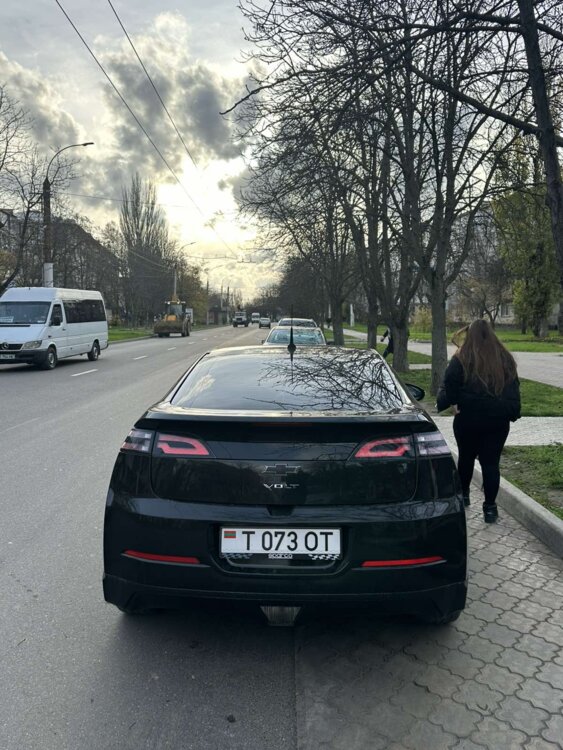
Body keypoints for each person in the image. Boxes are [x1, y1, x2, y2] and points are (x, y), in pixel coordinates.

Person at [437, 320, 521, 523]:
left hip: (468, 419)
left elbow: (450, 382)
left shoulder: (462, 358)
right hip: (497, 421)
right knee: (491, 464)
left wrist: (455, 402)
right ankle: (490, 509)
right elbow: (513, 389)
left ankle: (464, 495)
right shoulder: (505, 359)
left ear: (470, 335)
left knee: (465, 458)